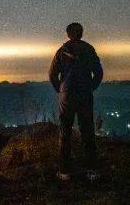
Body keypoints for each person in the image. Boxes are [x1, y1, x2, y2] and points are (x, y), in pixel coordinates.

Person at [48, 22, 103, 182]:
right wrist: (90, 87)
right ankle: (92, 171)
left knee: (65, 132)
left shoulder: (62, 51)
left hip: (67, 96)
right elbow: (98, 73)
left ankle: (65, 171)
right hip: (84, 95)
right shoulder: (89, 49)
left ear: (68, 34)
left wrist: (61, 89)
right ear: (81, 33)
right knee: (87, 130)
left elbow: (52, 74)